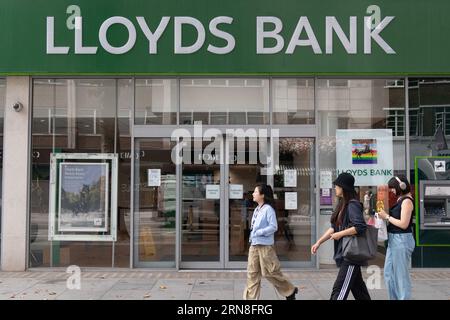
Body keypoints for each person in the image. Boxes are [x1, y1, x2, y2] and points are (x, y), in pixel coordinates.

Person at [311, 172, 371, 300]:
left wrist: (340, 234)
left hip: (351, 256)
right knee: (359, 290)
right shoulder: (342, 204)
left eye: (337, 186)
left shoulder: (353, 204)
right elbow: (334, 228)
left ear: (343, 187)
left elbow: (360, 227)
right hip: (346, 252)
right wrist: (319, 242)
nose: (335, 188)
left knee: (339, 291)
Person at [243, 184, 298, 300]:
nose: (253, 194)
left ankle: (290, 290)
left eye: (255, 192)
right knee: (252, 274)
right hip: (254, 245)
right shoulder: (257, 209)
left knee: (270, 273)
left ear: (262, 195)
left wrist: (259, 232)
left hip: (265, 246)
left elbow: (273, 227)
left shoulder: (268, 209)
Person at [377, 175, 415, 300]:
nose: (392, 191)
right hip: (394, 240)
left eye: (393, 188)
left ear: (401, 186)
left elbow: (404, 224)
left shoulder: (407, 201)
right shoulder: (400, 200)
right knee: (388, 274)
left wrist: (387, 217)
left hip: (402, 239)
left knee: (400, 276)